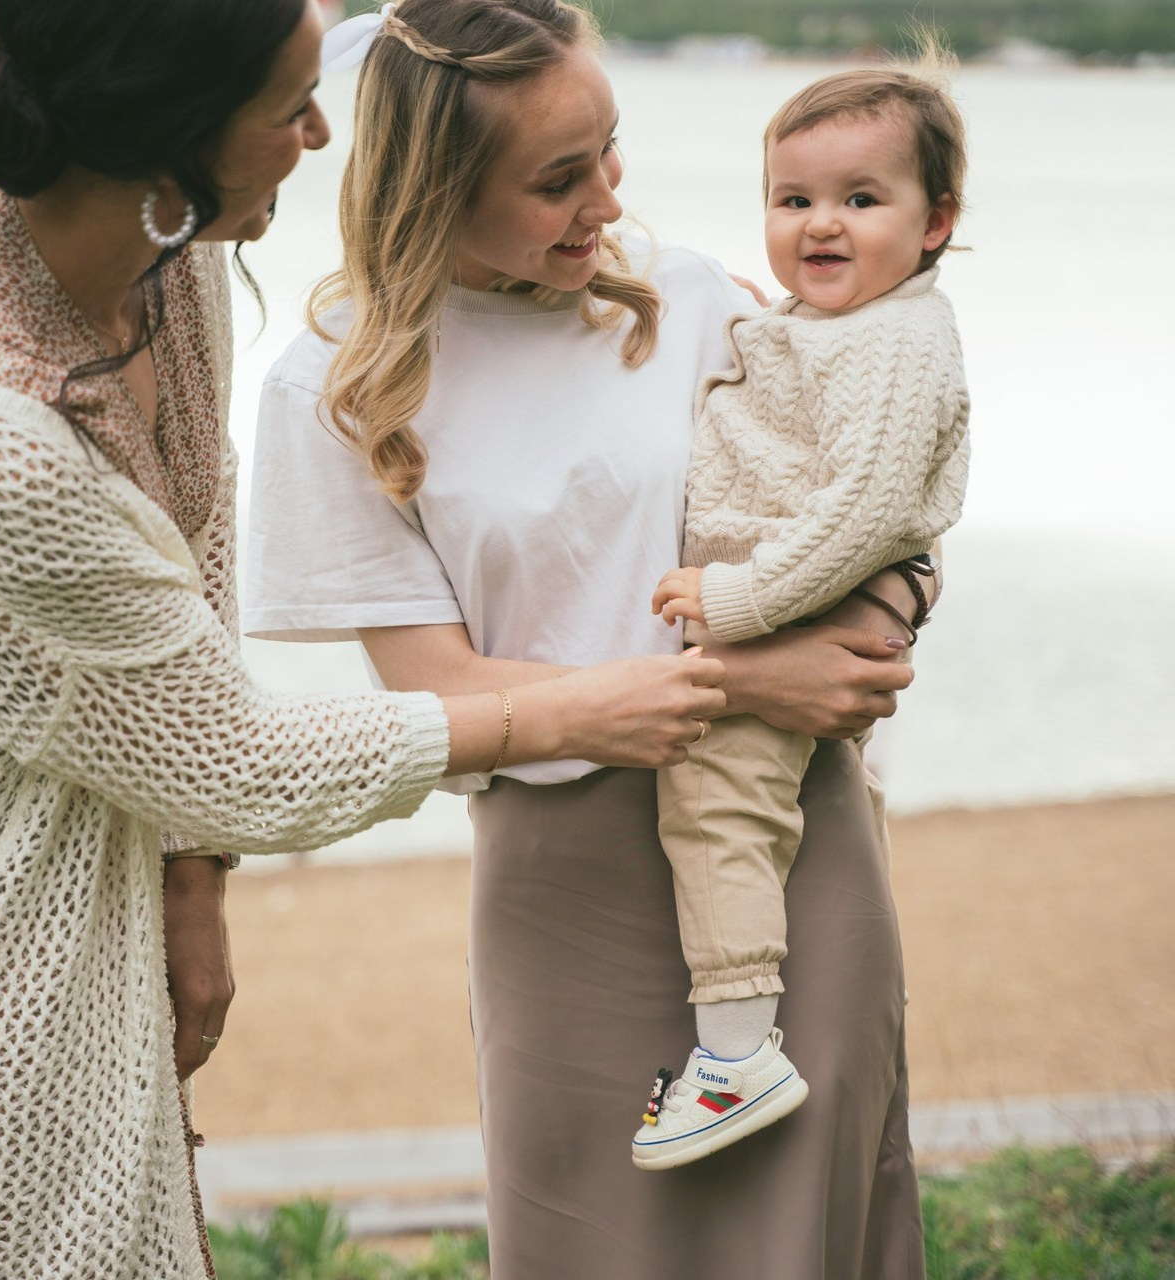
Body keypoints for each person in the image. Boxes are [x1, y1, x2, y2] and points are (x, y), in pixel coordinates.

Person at [0, 1, 725, 1276]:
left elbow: (193, 539)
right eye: (289, 111)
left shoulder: (151, 256)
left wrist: (193, 876)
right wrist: (567, 711)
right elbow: (231, 755)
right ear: (171, 140)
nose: (324, 133)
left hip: (116, 841)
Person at [246, 0, 926, 1275]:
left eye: (607, 152)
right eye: (558, 179)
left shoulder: (693, 306)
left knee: (814, 1233)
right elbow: (440, 691)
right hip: (562, 880)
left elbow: (881, 506)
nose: (605, 202)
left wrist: (880, 620)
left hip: (787, 837)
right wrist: (750, 674)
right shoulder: (332, 386)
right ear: (431, 188)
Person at [633, 63, 970, 1172]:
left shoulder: (894, 343)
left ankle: (733, 1048)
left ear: (936, 223)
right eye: (793, 200)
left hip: (787, 599)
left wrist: (731, 602)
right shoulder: (836, 322)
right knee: (774, 811)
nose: (820, 224)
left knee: (717, 796)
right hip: (791, 592)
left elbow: (865, 509)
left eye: (860, 200)